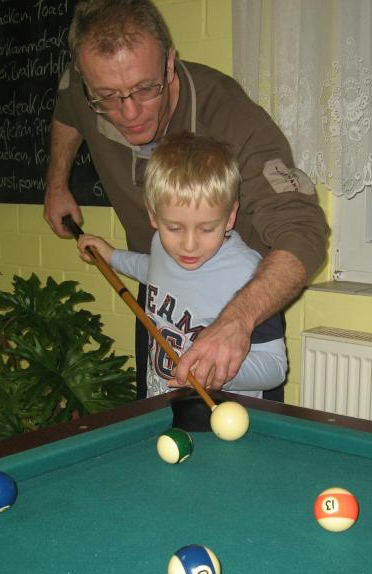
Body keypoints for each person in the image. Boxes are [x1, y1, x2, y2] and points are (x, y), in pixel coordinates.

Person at [45, 0, 328, 400]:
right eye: (107, 96)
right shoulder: (82, 86)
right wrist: (56, 184)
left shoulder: (233, 118)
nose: (129, 112)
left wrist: (237, 320)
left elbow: (303, 230)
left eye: (145, 89)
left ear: (169, 64)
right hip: (163, 297)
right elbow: (68, 108)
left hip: (240, 306)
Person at [77, 133, 287, 399]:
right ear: (153, 214)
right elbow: (153, 270)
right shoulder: (160, 244)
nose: (188, 246)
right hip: (161, 404)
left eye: (206, 229)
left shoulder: (252, 276)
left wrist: (215, 373)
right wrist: (112, 256)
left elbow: (275, 368)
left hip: (217, 412)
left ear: (230, 216)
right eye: (174, 228)